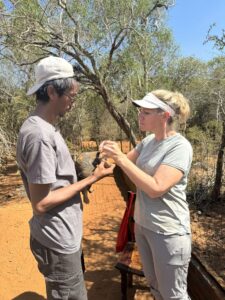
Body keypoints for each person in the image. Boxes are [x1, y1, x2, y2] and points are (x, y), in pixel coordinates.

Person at [16, 56, 114, 300]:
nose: (73, 103)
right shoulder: (40, 136)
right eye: (71, 96)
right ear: (51, 91)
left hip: (63, 233)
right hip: (57, 238)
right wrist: (92, 179)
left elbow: (57, 176)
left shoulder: (46, 127)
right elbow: (41, 203)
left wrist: (85, 168)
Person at [100, 90, 193, 300]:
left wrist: (120, 158)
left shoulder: (180, 147)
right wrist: (107, 156)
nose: (140, 116)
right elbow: (121, 161)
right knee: (154, 286)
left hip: (168, 231)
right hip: (143, 225)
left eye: (146, 112)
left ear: (164, 115)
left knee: (174, 295)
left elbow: (156, 187)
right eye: (140, 111)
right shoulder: (149, 141)